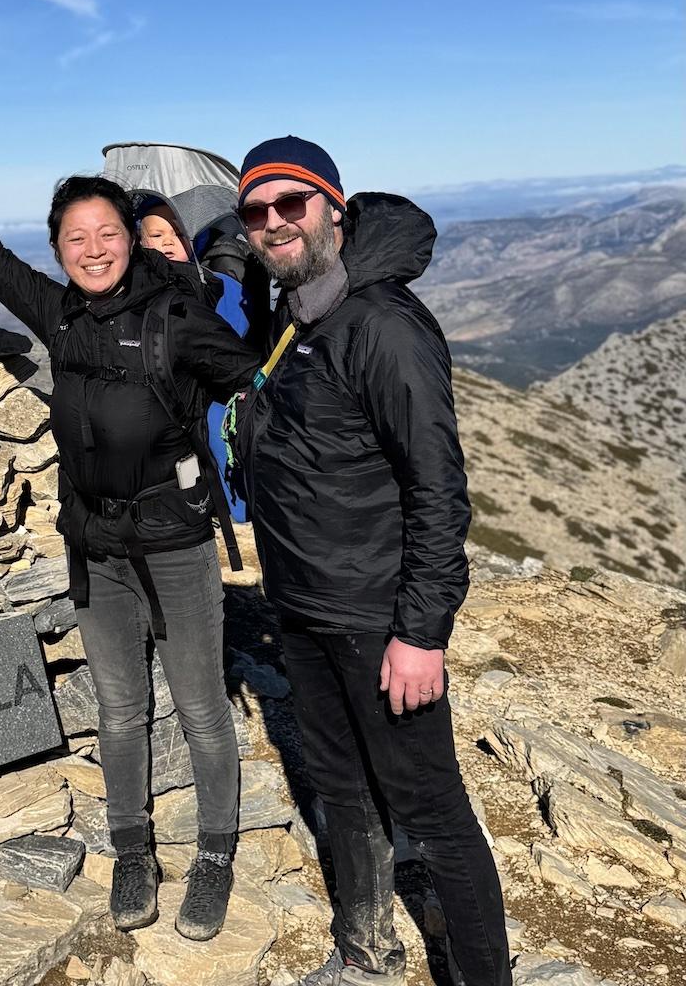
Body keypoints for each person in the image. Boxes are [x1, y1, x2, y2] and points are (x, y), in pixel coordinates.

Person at [0, 106, 260, 941]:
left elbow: (254, 384)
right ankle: (133, 851)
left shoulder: (176, 317)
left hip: (177, 543)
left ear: (133, 235)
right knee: (119, 710)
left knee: (198, 708)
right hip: (97, 547)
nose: (92, 249)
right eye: (74, 238)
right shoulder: (60, 314)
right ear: (59, 250)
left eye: (106, 232)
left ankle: (216, 855)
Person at [231, 136, 511, 986]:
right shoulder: (297, 309)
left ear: (335, 210)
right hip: (306, 607)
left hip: (377, 619)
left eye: (293, 204)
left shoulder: (383, 325)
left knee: (434, 814)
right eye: (257, 212)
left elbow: (438, 490)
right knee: (340, 787)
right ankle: (365, 950)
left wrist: (421, 632)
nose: (275, 223)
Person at [137, 201, 259, 522]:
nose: (167, 242)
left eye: (178, 233)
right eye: (157, 234)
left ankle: (238, 521)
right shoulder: (131, 295)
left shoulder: (222, 288)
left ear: (196, 240)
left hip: (214, 409)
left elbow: (239, 352)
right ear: (140, 241)